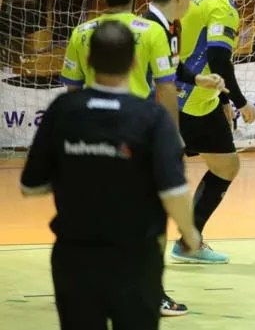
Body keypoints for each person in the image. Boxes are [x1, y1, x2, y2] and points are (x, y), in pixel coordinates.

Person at [21, 21, 202, 330]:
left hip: (75, 257)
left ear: (89, 61)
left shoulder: (63, 109)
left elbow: (31, 186)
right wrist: (190, 234)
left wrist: (81, 169)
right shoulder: (152, 117)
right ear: (134, 63)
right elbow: (173, 191)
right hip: (135, 258)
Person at [143, 0, 227, 315]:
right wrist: (171, 135)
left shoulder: (170, 27)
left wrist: (197, 80)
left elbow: (172, 68)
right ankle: (151, 293)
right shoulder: (149, 29)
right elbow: (159, 84)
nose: (192, 0)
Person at [172, 0, 255, 264]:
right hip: (192, 101)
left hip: (193, 97)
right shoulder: (221, 5)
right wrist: (240, 102)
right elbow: (218, 59)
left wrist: (222, 101)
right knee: (221, 167)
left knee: (222, 166)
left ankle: (188, 241)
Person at [60, 0, 179, 128]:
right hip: (137, 122)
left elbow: (73, 87)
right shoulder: (153, 31)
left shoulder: (80, 32)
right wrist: (173, 132)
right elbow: (165, 86)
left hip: (94, 122)